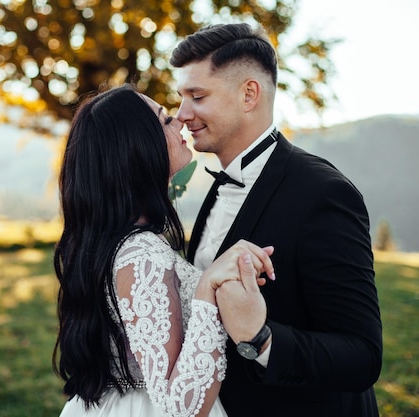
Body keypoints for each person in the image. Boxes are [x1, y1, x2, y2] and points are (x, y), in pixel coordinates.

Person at [169, 23, 383, 417]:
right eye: (181, 97)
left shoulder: (322, 193)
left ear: (248, 94)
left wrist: (260, 338)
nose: (182, 115)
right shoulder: (216, 186)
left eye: (196, 96)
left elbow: (363, 356)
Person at [52, 84, 275, 417]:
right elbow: (179, 408)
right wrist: (207, 290)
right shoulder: (141, 254)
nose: (181, 122)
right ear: (137, 146)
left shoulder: (113, 240)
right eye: (165, 119)